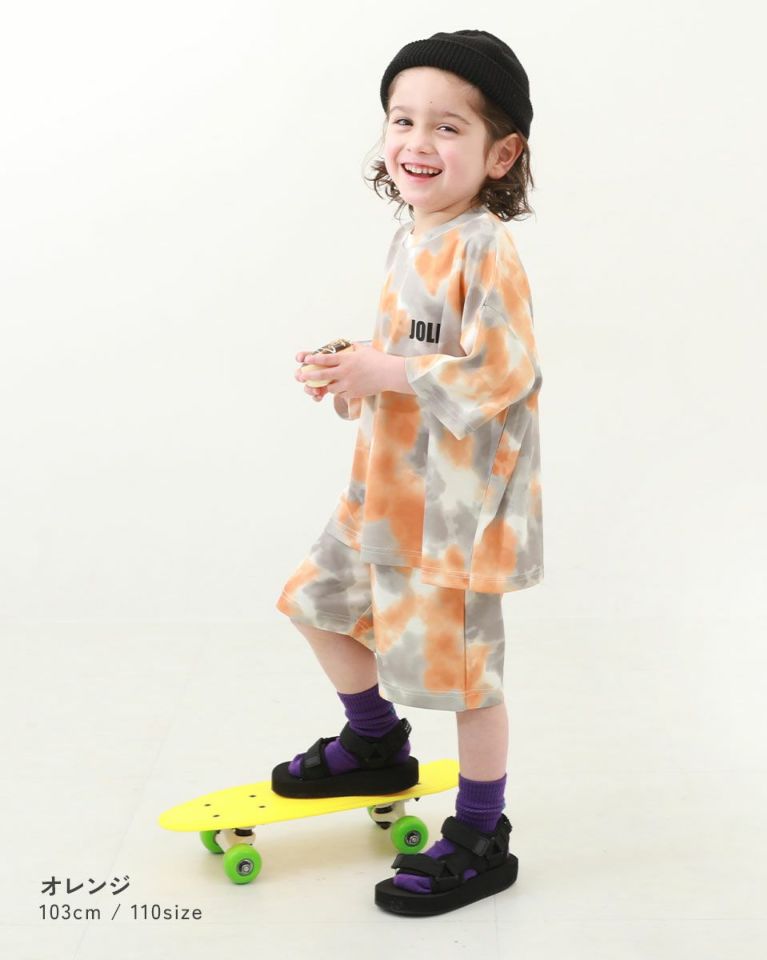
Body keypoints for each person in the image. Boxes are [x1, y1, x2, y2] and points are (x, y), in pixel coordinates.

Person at [274, 29, 543, 916]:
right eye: (402, 120)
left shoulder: (484, 246)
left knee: (464, 676)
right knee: (316, 603)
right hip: (385, 487)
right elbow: (411, 351)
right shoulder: (411, 235)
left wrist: (386, 370)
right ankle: (375, 744)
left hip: (452, 512)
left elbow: (504, 374)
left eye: (447, 127)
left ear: (501, 153)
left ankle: (482, 831)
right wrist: (354, 370)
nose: (417, 143)